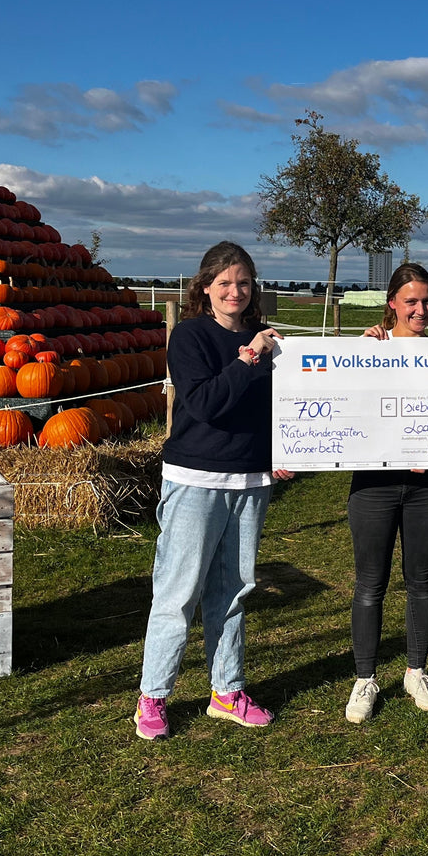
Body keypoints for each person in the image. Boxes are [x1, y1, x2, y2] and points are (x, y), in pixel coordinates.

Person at [132, 241, 292, 739]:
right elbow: (205, 405)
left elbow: (276, 407)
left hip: (250, 480)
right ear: (206, 288)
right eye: (224, 283)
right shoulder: (190, 336)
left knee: (234, 590)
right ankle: (153, 697)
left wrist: (285, 449)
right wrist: (248, 360)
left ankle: (227, 690)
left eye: (243, 283)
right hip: (195, 479)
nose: (234, 292)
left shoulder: (269, 344)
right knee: (178, 592)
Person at [343, 263, 428, 722]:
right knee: (370, 582)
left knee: (421, 580)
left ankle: (415, 669)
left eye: (427, 301)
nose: (421, 309)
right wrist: (359, 354)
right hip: (374, 483)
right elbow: (339, 403)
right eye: (411, 301)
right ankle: (365, 678)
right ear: (392, 304)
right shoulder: (370, 349)